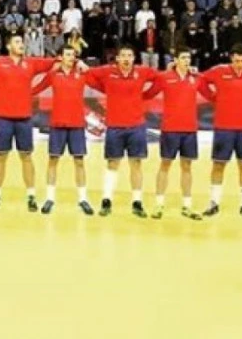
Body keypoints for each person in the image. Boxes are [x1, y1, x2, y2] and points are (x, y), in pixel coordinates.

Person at [0, 33, 55, 211]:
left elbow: (55, 62)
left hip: (24, 118)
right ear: (8, 46)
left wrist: (76, 61)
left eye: (22, 42)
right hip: (4, 117)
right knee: (1, 156)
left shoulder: (31, 63)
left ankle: (31, 197)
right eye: (17, 42)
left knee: (26, 157)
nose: (21, 44)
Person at [86, 44, 158, 217]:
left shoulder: (142, 72)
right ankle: (106, 200)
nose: (126, 59)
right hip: (115, 126)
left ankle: (137, 202)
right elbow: (87, 75)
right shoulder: (107, 71)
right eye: (123, 56)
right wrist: (104, 88)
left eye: (129, 56)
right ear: (117, 58)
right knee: (112, 164)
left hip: (136, 126)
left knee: (136, 164)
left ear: (134, 58)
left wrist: (147, 94)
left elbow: (161, 79)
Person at [198, 43, 242, 219]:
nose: (240, 64)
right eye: (237, 61)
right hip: (224, 127)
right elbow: (200, 80)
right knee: (218, 164)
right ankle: (214, 203)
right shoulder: (219, 71)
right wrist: (212, 97)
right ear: (231, 58)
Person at [142, 47, 210, 220]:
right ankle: (159, 204)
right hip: (170, 129)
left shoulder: (196, 78)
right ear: (176, 60)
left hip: (189, 130)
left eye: (188, 58)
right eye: (183, 58)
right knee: (165, 165)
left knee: (187, 167)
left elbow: (211, 95)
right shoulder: (165, 77)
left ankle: (187, 205)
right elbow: (148, 94)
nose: (187, 61)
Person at [32, 45, 94, 215]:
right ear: (60, 57)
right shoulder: (53, 74)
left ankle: (83, 199)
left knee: (79, 162)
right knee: (53, 160)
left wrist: (87, 68)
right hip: (57, 124)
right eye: (67, 54)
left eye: (73, 55)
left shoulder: (81, 73)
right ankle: (49, 198)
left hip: (77, 124)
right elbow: (36, 89)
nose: (71, 58)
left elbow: (99, 82)